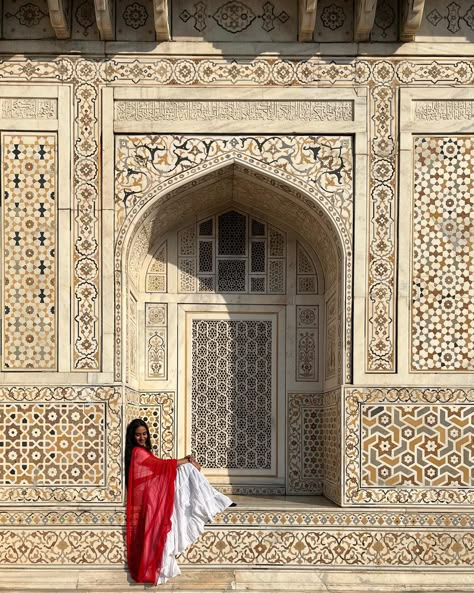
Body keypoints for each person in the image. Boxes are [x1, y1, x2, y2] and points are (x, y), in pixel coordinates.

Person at [125, 418, 234, 585]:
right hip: (149, 494)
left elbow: (158, 467)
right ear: (132, 437)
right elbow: (160, 465)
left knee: (186, 469)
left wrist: (185, 460)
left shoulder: (141, 451)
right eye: (138, 435)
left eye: (144, 434)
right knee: (187, 468)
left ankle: (214, 500)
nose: (142, 438)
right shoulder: (137, 452)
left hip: (153, 488)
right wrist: (187, 460)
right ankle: (214, 501)